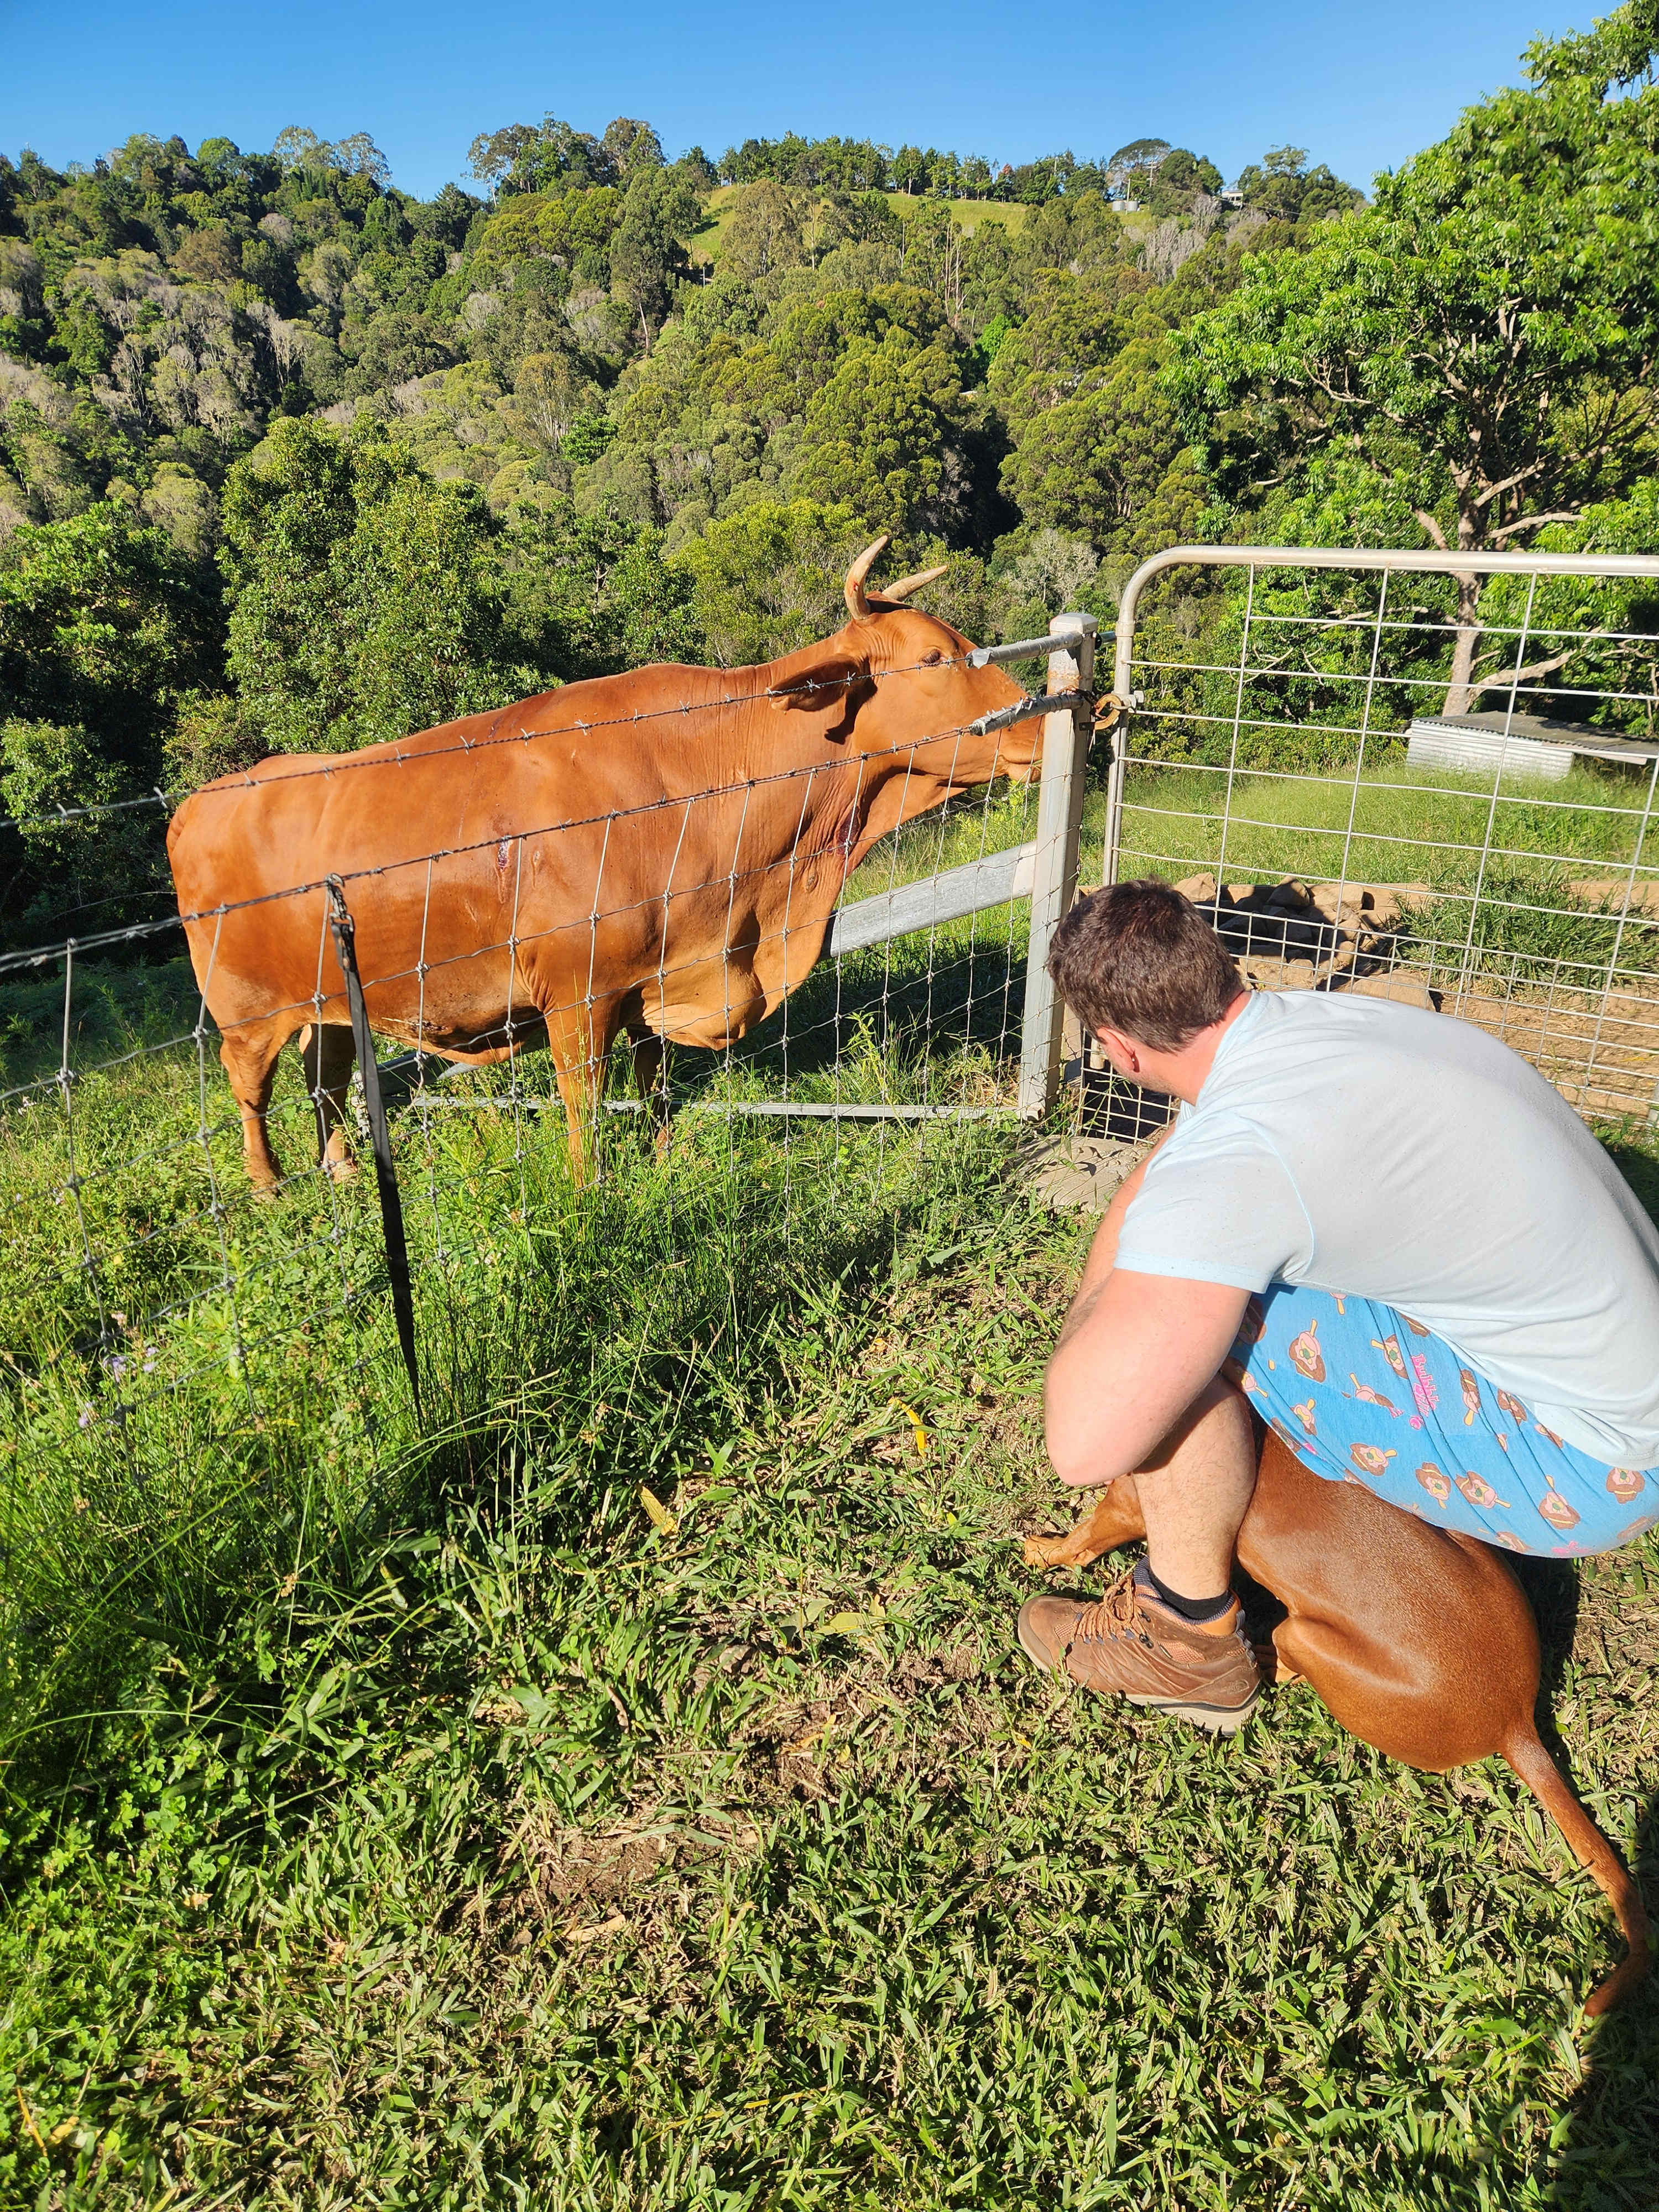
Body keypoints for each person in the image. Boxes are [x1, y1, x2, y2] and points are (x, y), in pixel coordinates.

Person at [1018, 879, 1659, 1733]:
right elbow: (1198, 1150)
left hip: (1594, 1465)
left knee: (1195, 1345)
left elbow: (1085, 1443)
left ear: (1118, 1049)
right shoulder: (1335, 1024)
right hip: (1623, 1368)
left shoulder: (1239, 1159)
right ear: (1216, 968)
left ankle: (1187, 1637)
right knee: (1237, 1285)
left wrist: (1101, 1309)